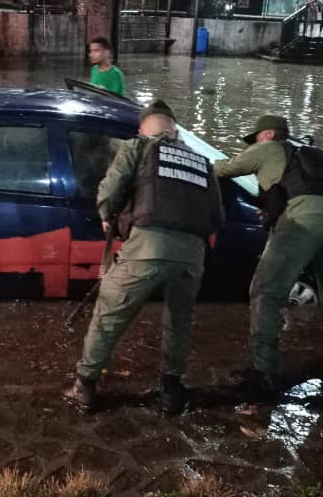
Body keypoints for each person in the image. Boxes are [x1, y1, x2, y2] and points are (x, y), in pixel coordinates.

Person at [65, 100, 225, 414]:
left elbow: (109, 192)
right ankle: (171, 391)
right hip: (193, 255)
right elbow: (217, 216)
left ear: (142, 130)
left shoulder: (138, 147)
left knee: (110, 314)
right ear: (175, 130)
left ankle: (84, 385)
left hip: (148, 248)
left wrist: (107, 216)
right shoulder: (203, 162)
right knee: (179, 321)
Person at [213, 115, 323, 399]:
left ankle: (264, 373)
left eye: (256, 138)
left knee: (265, 293)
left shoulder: (268, 147)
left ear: (269, 134)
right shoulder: (320, 155)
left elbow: (220, 169)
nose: (254, 144)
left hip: (302, 222)